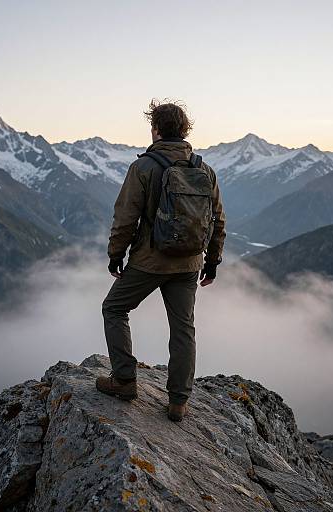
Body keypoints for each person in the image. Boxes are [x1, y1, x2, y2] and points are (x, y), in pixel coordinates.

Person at [96, 99, 226, 421]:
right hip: (189, 264)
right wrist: (211, 262)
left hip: (150, 262)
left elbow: (125, 218)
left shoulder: (143, 167)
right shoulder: (203, 170)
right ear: (185, 131)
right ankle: (179, 402)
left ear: (155, 129)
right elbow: (218, 220)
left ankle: (124, 380)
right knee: (183, 329)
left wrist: (116, 255)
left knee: (114, 308)